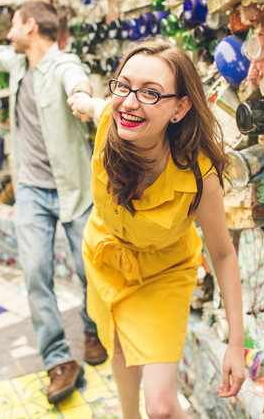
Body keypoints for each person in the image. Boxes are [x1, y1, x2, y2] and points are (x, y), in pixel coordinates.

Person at [67, 40, 246, 418]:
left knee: (162, 408)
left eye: (150, 93)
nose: (130, 103)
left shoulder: (199, 176)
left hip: (164, 272)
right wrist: (80, 94)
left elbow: (224, 254)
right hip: (105, 256)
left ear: (180, 107)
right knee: (117, 346)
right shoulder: (109, 121)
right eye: (123, 85)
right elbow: (90, 105)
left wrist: (236, 343)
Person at [0, 0, 107, 404]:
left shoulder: (63, 65)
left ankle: (94, 330)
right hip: (32, 192)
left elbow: (78, 80)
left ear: (30, 26)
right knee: (36, 273)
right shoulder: (20, 66)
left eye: (13, 25)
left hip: (73, 188)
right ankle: (57, 359)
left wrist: (83, 99)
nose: (8, 33)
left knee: (90, 272)